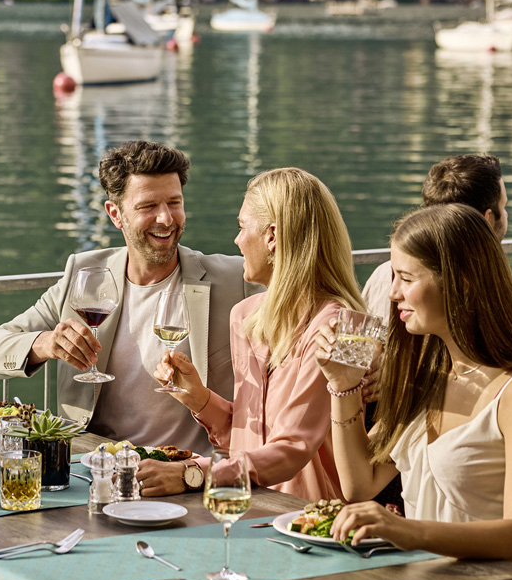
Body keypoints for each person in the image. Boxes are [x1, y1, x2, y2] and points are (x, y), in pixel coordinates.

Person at [314, 204, 512, 580]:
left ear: (462, 282)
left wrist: (407, 531)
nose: (392, 293)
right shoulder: (427, 372)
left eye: (406, 278)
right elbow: (359, 483)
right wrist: (343, 384)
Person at [0, 141, 258, 472]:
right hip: (94, 467)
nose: (166, 218)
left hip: (187, 472)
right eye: (148, 206)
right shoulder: (83, 274)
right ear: (115, 214)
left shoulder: (234, 279)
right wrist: (45, 343)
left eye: (174, 203)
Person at [149, 167, 364, 501]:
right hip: (244, 503)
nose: (236, 240)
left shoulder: (345, 329)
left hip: (309, 515)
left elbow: (293, 447)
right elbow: (250, 439)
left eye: (241, 226)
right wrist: (199, 398)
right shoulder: (245, 316)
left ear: (272, 236)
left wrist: (193, 473)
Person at [362, 154, 507, 319]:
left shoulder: (383, 275)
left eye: (406, 279)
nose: (394, 294)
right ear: (486, 220)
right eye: (503, 207)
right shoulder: (482, 287)